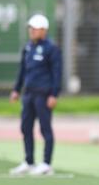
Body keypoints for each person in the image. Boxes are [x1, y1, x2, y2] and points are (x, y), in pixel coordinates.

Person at [9, 14, 62, 176]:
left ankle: (46, 163)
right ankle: (29, 161)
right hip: (29, 94)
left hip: (44, 95)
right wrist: (17, 89)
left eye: (35, 28)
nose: (31, 31)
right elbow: (22, 71)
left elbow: (57, 73)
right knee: (25, 127)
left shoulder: (51, 49)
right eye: (30, 28)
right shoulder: (27, 48)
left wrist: (54, 94)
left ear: (43, 30)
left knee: (45, 128)